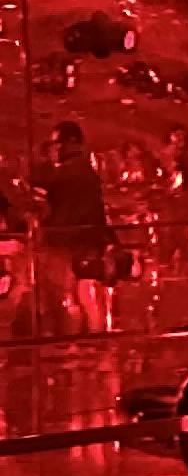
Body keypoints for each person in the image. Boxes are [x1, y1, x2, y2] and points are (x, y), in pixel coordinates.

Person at [31, 123, 114, 338]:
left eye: (57, 143)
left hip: (61, 246)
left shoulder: (58, 175)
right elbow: (98, 212)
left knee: (66, 301)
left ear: (70, 143)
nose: (55, 149)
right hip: (87, 244)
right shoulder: (88, 174)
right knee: (88, 299)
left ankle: (71, 345)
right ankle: (95, 345)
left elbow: (40, 210)